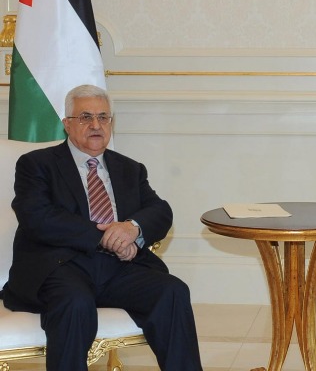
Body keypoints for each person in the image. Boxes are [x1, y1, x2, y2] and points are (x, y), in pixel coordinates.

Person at [1, 85, 203, 371]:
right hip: (61, 266)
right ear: (67, 124)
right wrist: (108, 237)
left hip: (118, 268)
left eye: (103, 117)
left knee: (172, 291)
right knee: (75, 302)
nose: (96, 125)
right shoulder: (37, 164)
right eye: (85, 117)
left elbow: (160, 211)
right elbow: (37, 217)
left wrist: (132, 229)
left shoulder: (130, 168)